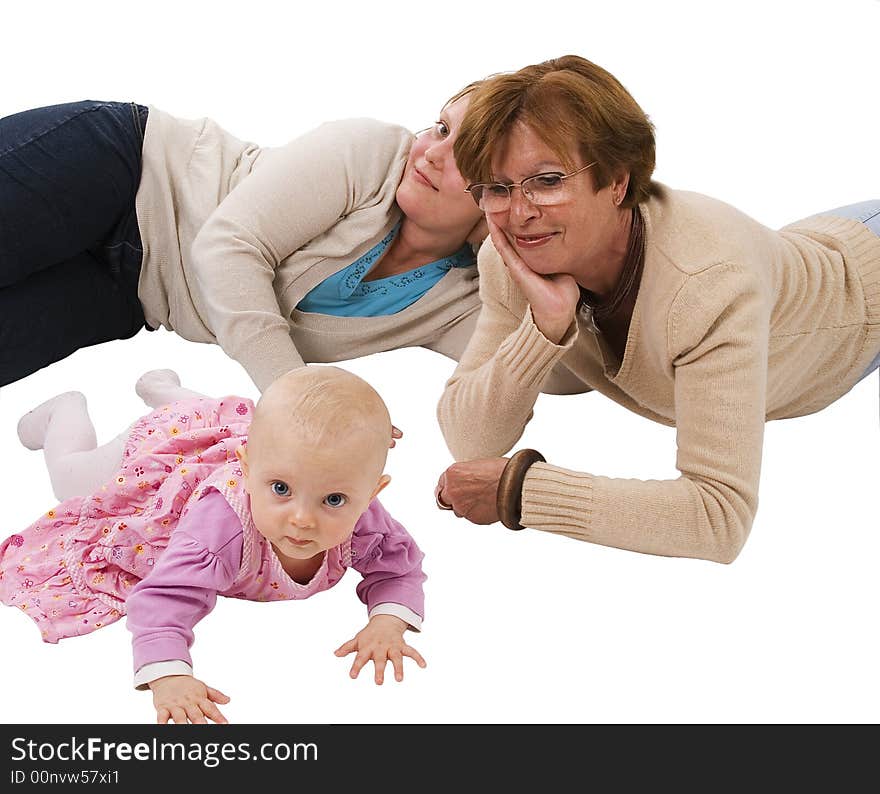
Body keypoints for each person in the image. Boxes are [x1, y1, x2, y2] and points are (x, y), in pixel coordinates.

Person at [433, 55, 880, 565]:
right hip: (808, 250)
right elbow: (470, 439)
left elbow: (718, 519)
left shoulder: (709, 287)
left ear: (618, 182)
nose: (519, 213)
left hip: (866, 300)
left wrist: (520, 492)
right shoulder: (511, 260)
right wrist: (544, 326)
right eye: (496, 187)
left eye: (549, 180)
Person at [0, 366, 427, 724]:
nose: (301, 518)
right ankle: (65, 410)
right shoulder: (222, 529)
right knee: (71, 481)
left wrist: (387, 621)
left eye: (333, 500)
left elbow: (400, 568)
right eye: (280, 489)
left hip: (246, 440)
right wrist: (169, 675)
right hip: (167, 456)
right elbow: (164, 596)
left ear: (372, 493)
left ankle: (165, 390)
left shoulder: (363, 521)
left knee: (259, 434)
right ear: (248, 469)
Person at [0, 86, 490, 392]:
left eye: (467, 156)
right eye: (442, 127)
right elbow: (228, 247)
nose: (431, 153)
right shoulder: (375, 151)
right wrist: (296, 400)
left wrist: (528, 270)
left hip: (129, 296)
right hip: (124, 173)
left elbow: (558, 371)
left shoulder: (461, 300)